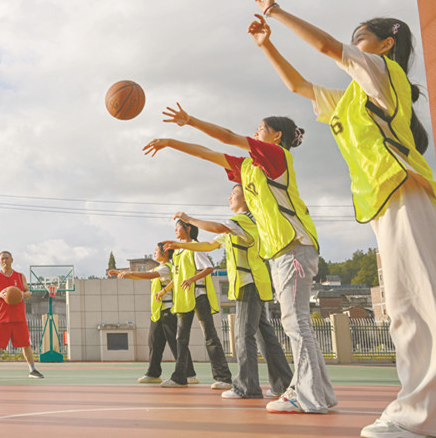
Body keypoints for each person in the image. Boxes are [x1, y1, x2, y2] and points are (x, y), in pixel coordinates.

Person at [245, 0, 436, 437]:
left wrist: (276, 12)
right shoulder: (351, 98)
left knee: (410, 304)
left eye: (362, 37)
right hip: (388, 200)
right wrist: (267, 45)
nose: (355, 44)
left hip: (403, 192)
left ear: (386, 44)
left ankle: (419, 417)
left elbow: (324, 47)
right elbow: (298, 86)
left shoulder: (381, 71)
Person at [143, 105, 336, 414]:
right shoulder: (250, 168)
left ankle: (307, 395)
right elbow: (209, 153)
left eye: (259, 129)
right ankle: (319, 393)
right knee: (294, 324)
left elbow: (229, 136)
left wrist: (190, 120)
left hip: (294, 247)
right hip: (284, 251)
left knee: (295, 323)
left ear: (276, 135)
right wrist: (171, 142)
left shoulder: (276, 157)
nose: (255, 133)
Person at [163, 185, 292, 400]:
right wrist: (178, 244)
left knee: (243, 335)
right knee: (264, 336)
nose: (229, 196)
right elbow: (208, 245)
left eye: (234, 193)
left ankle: (246, 387)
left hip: (248, 283)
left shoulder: (243, 221)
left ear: (247, 198)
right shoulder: (241, 225)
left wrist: (190, 218)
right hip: (256, 282)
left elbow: (216, 228)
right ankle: (283, 384)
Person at [153, 220, 232, 390]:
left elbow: (209, 268)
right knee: (181, 338)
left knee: (209, 336)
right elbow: (177, 277)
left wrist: (191, 279)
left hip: (199, 296)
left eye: (178, 227)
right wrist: (165, 290)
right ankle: (180, 377)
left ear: (188, 229)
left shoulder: (196, 247)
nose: (175, 230)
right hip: (184, 299)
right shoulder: (180, 252)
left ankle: (223, 377)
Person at [110, 242, 195, 384]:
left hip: (168, 311)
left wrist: (128, 272)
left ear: (165, 253)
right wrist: (120, 273)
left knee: (176, 343)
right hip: (158, 312)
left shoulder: (166, 268)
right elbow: (141, 276)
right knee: (154, 343)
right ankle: (153, 373)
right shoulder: (159, 267)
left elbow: (148, 276)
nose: (154, 252)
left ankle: (189, 373)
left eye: (157, 250)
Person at [0, 251, 44, 379]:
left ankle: (33, 370)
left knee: (26, 344)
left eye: (7, 258)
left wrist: (22, 294)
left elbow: (28, 292)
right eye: (2, 259)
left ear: (12, 260)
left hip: (18, 317)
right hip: (1, 317)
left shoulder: (20, 277)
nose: (5, 261)